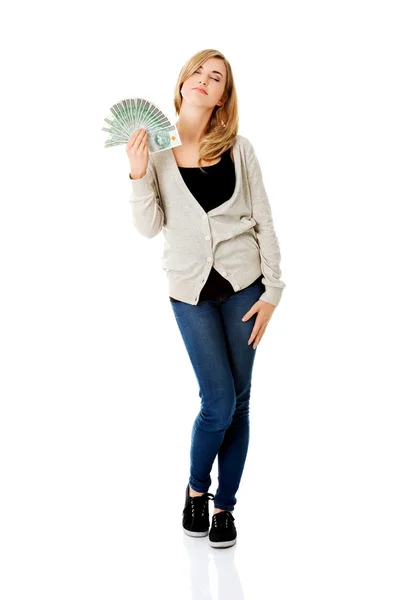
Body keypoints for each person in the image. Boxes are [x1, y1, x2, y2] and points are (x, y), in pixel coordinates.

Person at [126, 49, 286, 548]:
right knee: (216, 401)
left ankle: (225, 508)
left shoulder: (241, 149)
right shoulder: (154, 156)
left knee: (238, 403)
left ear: (221, 98)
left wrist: (274, 291)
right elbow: (149, 228)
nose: (204, 79)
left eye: (215, 77)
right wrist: (135, 176)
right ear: (182, 84)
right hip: (189, 295)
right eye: (197, 71)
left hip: (246, 291)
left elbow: (264, 221)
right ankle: (196, 490)